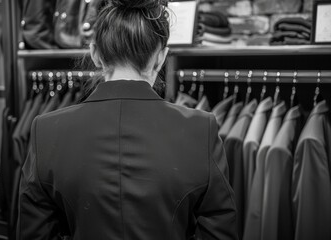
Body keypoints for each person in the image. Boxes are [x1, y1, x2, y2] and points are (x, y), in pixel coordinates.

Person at [17, 0, 238, 239]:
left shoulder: (46, 130)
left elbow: (34, 233)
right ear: (161, 57)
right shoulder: (200, 129)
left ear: (95, 54)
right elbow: (220, 231)